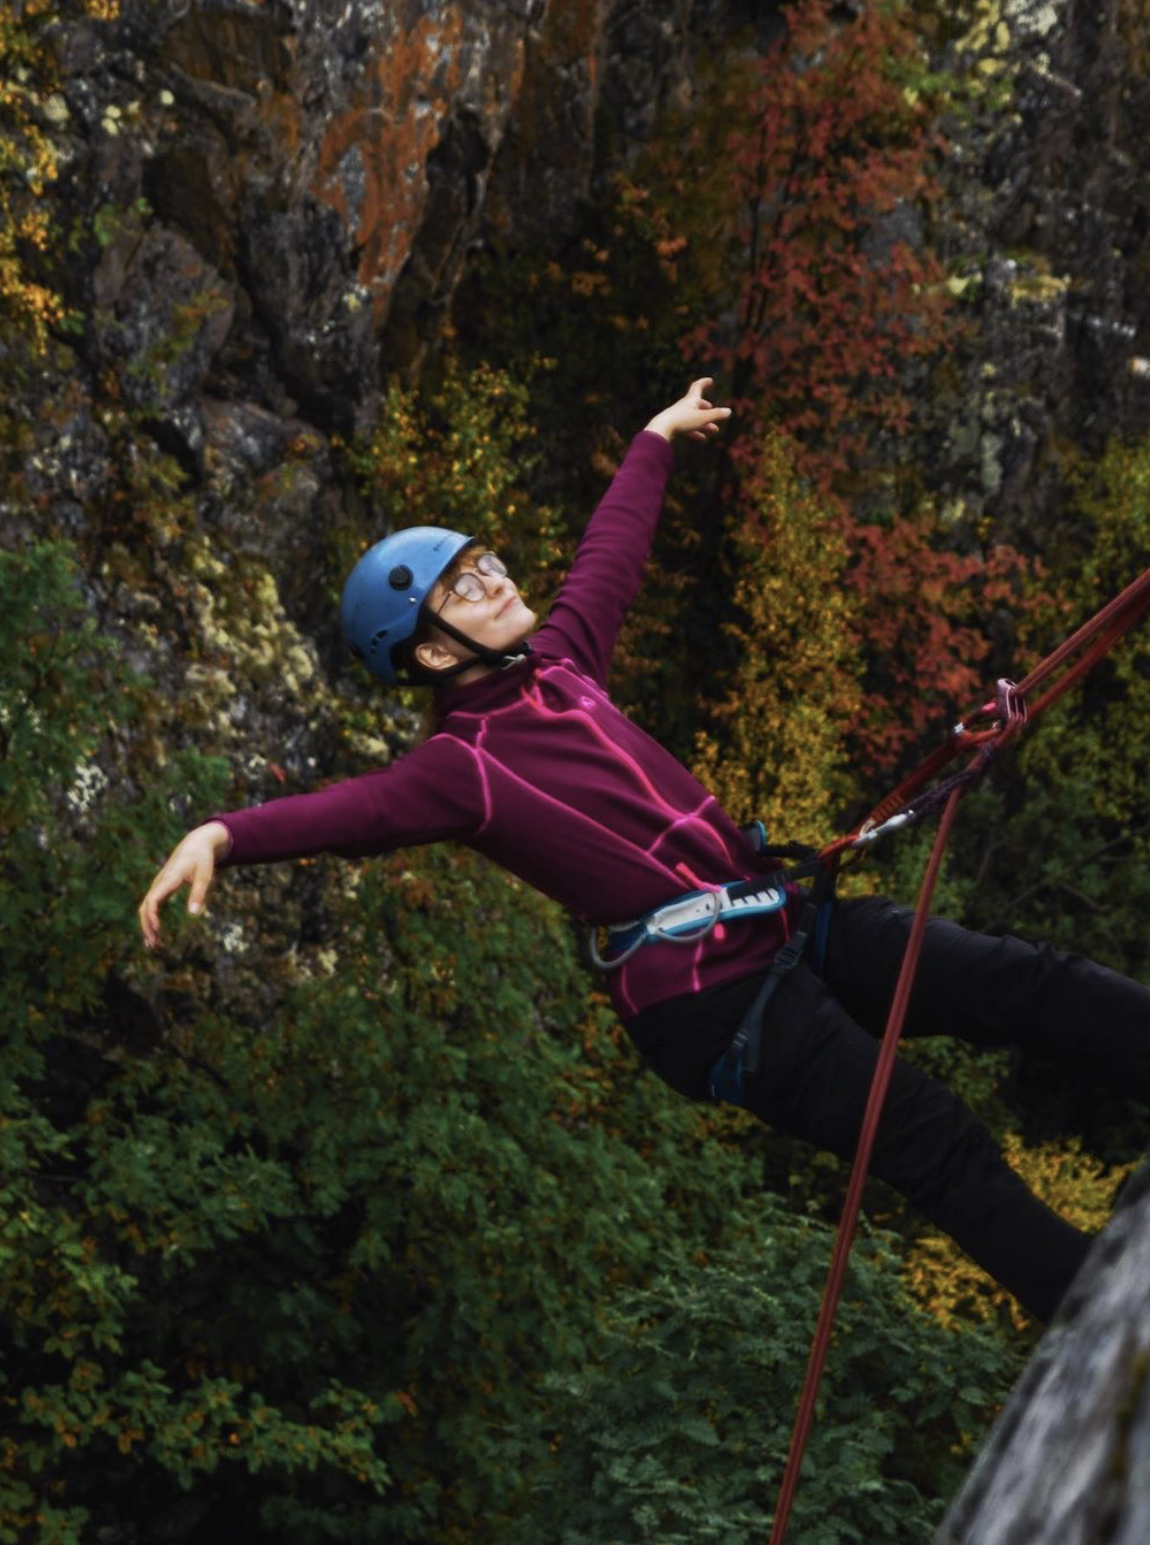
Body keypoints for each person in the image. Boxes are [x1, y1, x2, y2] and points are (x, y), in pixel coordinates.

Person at [139, 380, 1149, 1325]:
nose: (493, 577)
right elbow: (349, 814)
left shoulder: (562, 665)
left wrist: (653, 441)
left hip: (778, 918)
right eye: (462, 584)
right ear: (434, 653)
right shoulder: (459, 768)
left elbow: (608, 558)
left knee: (1019, 981)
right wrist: (223, 833)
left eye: (485, 561)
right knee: (932, 1136)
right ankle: (1099, 1319)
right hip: (711, 1004)